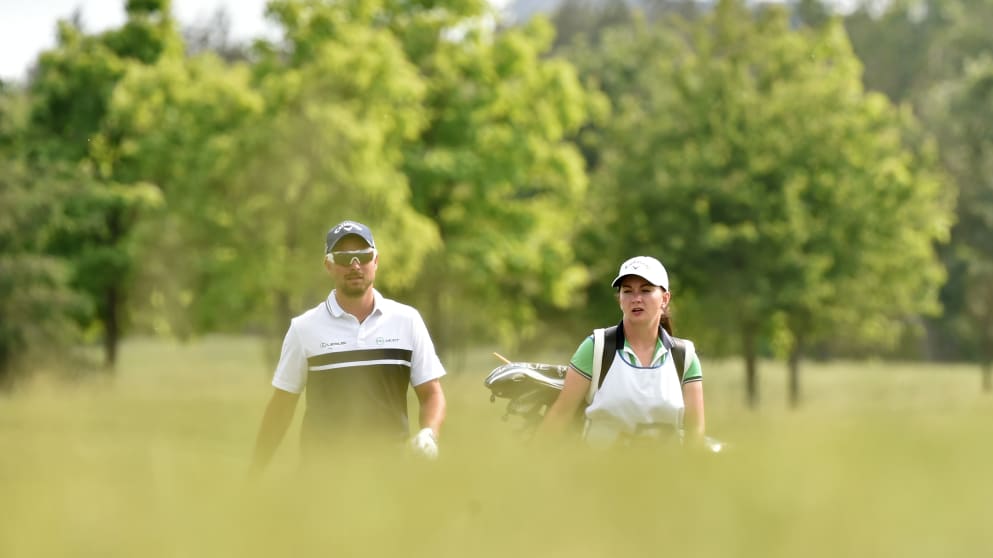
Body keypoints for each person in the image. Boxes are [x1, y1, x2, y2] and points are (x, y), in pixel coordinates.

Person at [250, 220, 447, 474]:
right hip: (322, 477)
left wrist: (430, 433)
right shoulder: (304, 328)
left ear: (375, 261)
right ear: (328, 265)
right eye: (344, 258)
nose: (355, 265)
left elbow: (432, 393)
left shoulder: (406, 321)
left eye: (363, 256)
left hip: (392, 476)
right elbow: (282, 407)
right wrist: (254, 473)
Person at [537, 256, 704, 449]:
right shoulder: (596, 347)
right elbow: (561, 414)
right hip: (599, 472)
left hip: (666, 474)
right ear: (620, 300)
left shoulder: (685, 356)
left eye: (646, 290)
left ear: (665, 299)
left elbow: (695, 433)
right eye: (627, 291)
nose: (636, 298)